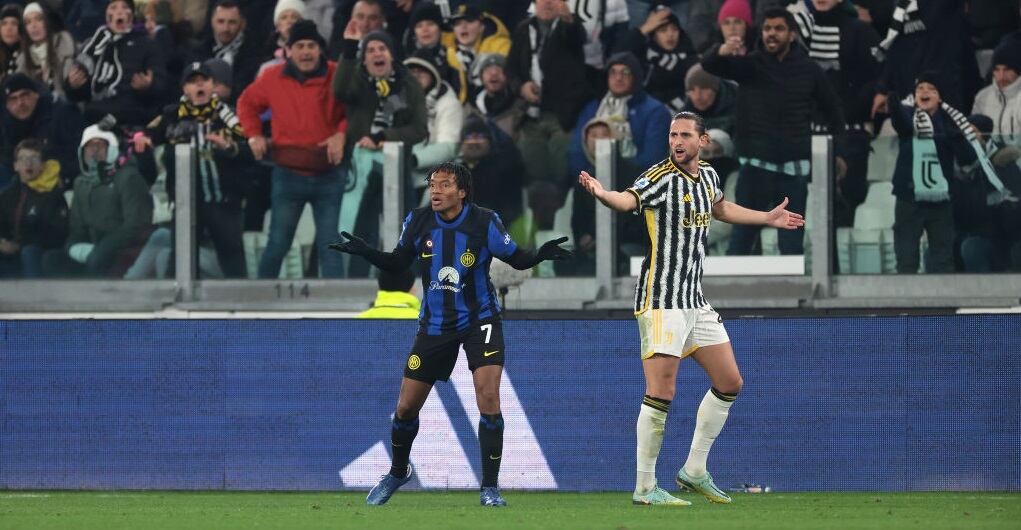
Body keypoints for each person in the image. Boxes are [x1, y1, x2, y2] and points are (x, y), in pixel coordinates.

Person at [578, 111, 804, 506]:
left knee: (730, 382)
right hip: (661, 299)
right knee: (661, 391)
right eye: (672, 135)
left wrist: (766, 218)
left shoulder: (709, 176)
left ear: (703, 141)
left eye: (685, 135)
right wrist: (603, 194)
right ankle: (645, 487)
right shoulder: (659, 177)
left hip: (694, 301)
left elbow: (721, 209)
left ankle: (694, 470)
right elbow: (627, 199)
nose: (677, 142)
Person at [328, 161, 573, 508]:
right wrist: (367, 251)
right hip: (435, 324)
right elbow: (399, 262)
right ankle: (398, 472)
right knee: (406, 407)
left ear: (462, 192)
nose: (436, 191)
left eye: (444, 185)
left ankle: (490, 488)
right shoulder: (418, 220)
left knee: (488, 398)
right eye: (433, 185)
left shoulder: (484, 221)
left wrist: (538, 255)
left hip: (480, 320)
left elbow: (516, 258)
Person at [702, 7, 846, 256]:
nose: (771, 33)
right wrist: (722, 50)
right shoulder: (751, 64)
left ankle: (792, 285)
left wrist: (837, 152)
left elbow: (834, 113)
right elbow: (709, 64)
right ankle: (736, 285)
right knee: (741, 240)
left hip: (793, 171)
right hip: (755, 168)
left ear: (792, 34)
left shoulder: (809, 69)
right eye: (767, 28)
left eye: (779, 28)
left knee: (791, 245)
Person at [237, 19, 348, 279]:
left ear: (320, 49)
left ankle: (339, 303)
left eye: (311, 45)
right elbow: (246, 103)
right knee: (278, 243)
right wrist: (254, 135)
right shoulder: (272, 77)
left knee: (331, 245)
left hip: (329, 173)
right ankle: (260, 300)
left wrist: (341, 134)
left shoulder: (336, 74)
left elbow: (354, 109)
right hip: (288, 173)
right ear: (288, 50)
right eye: (300, 46)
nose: (306, 52)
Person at [0, 138, 68, 277]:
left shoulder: (52, 194)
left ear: (42, 165)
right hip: (9, 252)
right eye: (23, 159)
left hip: (37, 251)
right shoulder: (6, 195)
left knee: (29, 252)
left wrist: (19, 246)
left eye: (34, 158)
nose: (28, 163)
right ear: (15, 165)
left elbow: (57, 234)